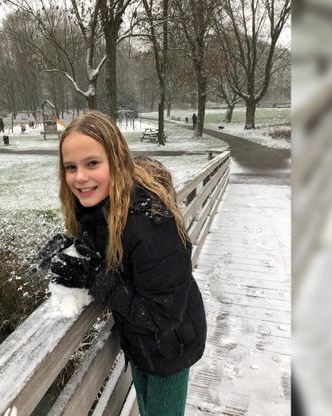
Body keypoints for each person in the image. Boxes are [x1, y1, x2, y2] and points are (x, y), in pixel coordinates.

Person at [34, 111, 206, 415]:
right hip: (139, 340)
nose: (80, 177)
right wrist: (74, 248)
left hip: (169, 346)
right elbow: (111, 256)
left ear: (116, 160)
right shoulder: (100, 208)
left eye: (92, 163)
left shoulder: (148, 225)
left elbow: (164, 315)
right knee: (146, 406)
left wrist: (96, 277)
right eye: (70, 167)